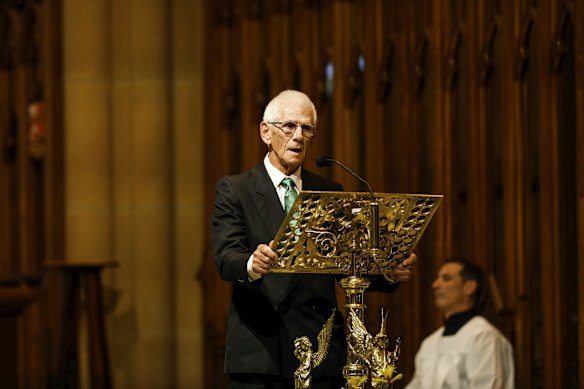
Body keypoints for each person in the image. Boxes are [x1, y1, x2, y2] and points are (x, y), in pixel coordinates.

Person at [211, 89, 417, 389]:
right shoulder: (236, 189)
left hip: (320, 349)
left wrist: (388, 270)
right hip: (261, 350)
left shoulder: (328, 190)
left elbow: (348, 262)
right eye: (289, 126)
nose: (298, 136)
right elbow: (226, 257)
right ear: (265, 132)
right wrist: (252, 263)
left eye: (307, 128)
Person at [405, 259, 515, 389]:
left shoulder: (484, 336)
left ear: (469, 287)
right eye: (437, 279)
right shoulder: (430, 343)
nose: (435, 285)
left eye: (446, 279)